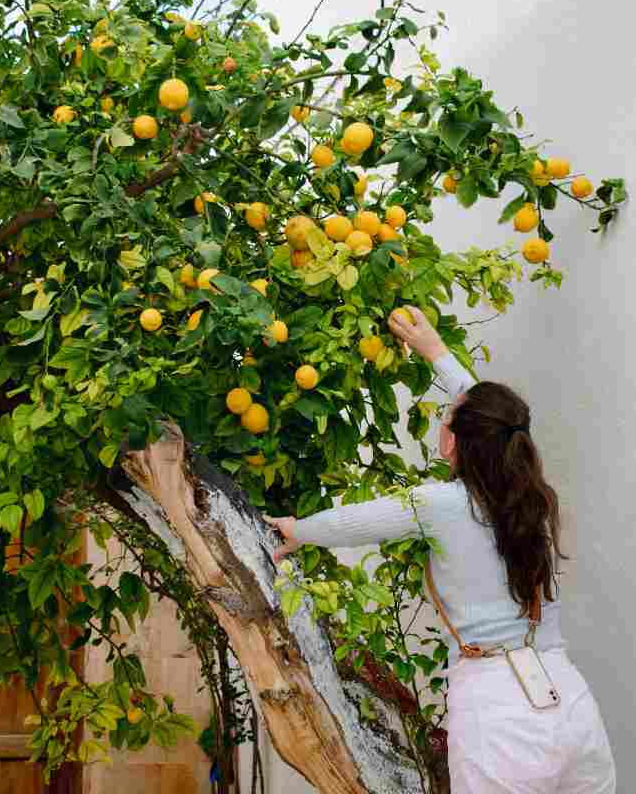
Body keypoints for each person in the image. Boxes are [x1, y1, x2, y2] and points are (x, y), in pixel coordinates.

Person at [264, 306, 616, 794]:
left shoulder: (440, 505)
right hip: (571, 704)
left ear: (453, 442)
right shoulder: (532, 500)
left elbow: (356, 521)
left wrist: (297, 529)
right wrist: (437, 353)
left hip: (498, 715)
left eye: (446, 416)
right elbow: (492, 418)